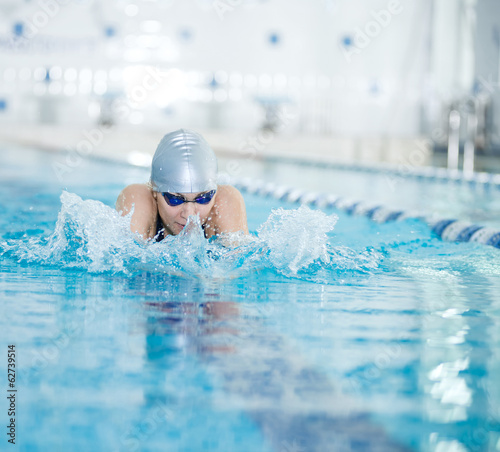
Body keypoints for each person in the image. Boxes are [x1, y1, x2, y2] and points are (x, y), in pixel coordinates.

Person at [116, 129, 248, 241]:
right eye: (175, 199)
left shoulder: (225, 200)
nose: (190, 215)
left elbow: (237, 266)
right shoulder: (138, 197)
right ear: (155, 192)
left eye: (203, 198)